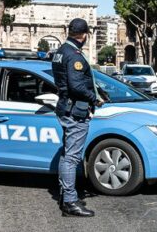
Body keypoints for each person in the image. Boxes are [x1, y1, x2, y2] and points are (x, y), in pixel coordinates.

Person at [52, 18, 103, 217]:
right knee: (72, 157)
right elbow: (77, 86)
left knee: (67, 155)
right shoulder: (75, 56)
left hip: (65, 107)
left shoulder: (60, 52)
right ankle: (70, 203)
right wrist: (95, 99)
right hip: (76, 111)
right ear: (84, 35)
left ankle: (66, 196)